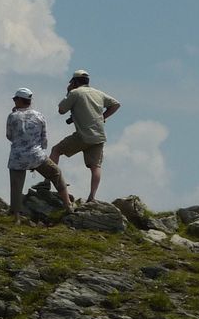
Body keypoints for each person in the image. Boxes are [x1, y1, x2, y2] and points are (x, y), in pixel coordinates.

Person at [48, 69, 121, 202]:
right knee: (95, 166)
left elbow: (61, 110)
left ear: (74, 82)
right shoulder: (98, 93)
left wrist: (68, 92)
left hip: (83, 135)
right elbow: (116, 104)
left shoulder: (75, 93)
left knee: (56, 150)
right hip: (98, 136)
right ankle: (92, 197)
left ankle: (47, 182)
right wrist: (103, 117)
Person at [6, 87, 72, 223]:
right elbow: (44, 138)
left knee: (16, 186)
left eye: (15, 99)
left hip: (17, 157)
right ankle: (68, 205)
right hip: (36, 155)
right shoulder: (39, 116)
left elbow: (9, 136)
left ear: (19, 100)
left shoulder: (12, 116)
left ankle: (16, 217)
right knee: (56, 173)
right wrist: (40, 151)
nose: (14, 101)